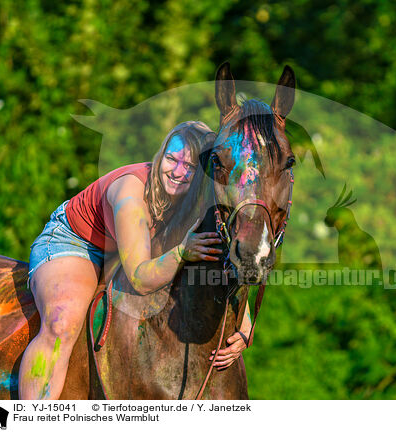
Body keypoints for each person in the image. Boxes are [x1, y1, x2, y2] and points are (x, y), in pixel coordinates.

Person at [19, 121, 251, 400]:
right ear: (160, 154)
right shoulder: (131, 192)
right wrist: (180, 253)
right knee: (62, 322)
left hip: (132, 248)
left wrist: (244, 323)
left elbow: (224, 260)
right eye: (171, 159)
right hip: (79, 243)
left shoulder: (198, 198)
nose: (177, 172)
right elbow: (140, 279)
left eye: (189, 166)